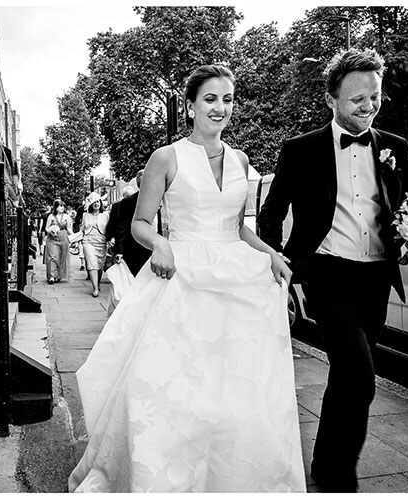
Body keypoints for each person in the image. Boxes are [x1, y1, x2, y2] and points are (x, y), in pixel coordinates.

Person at [68, 65, 305, 492]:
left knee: (234, 392)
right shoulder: (166, 157)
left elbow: (239, 227)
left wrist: (272, 254)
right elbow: (141, 222)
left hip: (234, 280)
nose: (220, 108)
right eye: (210, 99)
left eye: (228, 99)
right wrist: (160, 244)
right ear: (191, 105)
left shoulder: (241, 160)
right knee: (176, 390)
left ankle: (226, 478)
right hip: (181, 276)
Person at [257, 48, 408, 492]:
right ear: (332, 99)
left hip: (376, 279)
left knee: (346, 376)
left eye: (375, 97)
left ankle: (326, 464)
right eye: (357, 100)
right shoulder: (300, 150)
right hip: (326, 275)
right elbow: (270, 214)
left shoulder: (396, 148)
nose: (368, 106)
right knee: (359, 374)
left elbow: (403, 210)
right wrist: (276, 259)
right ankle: (341, 477)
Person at [111, 169, 155, 276]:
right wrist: (119, 250)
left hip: (157, 247)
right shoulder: (128, 202)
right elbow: (122, 227)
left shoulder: (160, 199)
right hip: (136, 249)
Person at [80, 192, 110, 297]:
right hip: (88, 241)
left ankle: (97, 282)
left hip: (101, 241)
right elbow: (82, 229)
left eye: (98, 201)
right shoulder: (85, 215)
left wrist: (110, 239)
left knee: (100, 265)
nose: (96, 204)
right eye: (94, 202)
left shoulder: (105, 215)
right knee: (92, 263)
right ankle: (95, 288)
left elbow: (109, 229)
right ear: (90, 204)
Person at [44, 199, 72, 284]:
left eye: (63, 206)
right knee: (53, 256)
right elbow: (46, 228)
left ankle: (59, 275)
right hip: (52, 238)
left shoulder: (67, 217)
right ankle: (52, 276)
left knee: (62, 257)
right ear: (56, 207)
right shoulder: (51, 217)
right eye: (60, 206)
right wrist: (51, 231)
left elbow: (69, 229)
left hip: (63, 238)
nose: (62, 208)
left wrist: (74, 237)